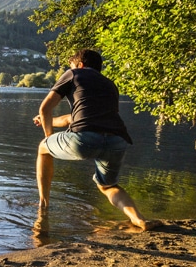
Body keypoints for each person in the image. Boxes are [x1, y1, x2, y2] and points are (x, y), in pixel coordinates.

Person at [33, 48, 156, 230]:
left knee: (43, 148)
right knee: (108, 186)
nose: (71, 69)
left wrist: (48, 141)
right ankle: (139, 220)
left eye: (73, 66)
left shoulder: (74, 74)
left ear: (80, 65)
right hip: (117, 141)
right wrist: (44, 120)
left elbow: (45, 109)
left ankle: (43, 206)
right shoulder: (109, 84)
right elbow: (71, 118)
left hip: (85, 140)